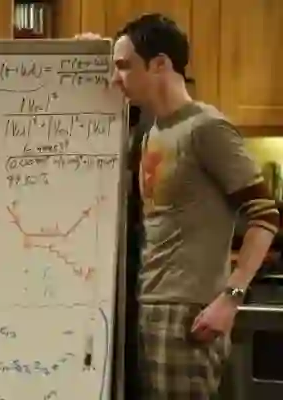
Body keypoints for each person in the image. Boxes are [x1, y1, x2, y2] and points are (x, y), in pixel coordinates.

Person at [79, 13, 279, 399]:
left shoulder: (206, 128)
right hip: (149, 306)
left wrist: (231, 298)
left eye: (124, 66)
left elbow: (265, 213)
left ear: (160, 65)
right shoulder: (152, 132)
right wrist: (85, 57)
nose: (116, 78)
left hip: (188, 312)